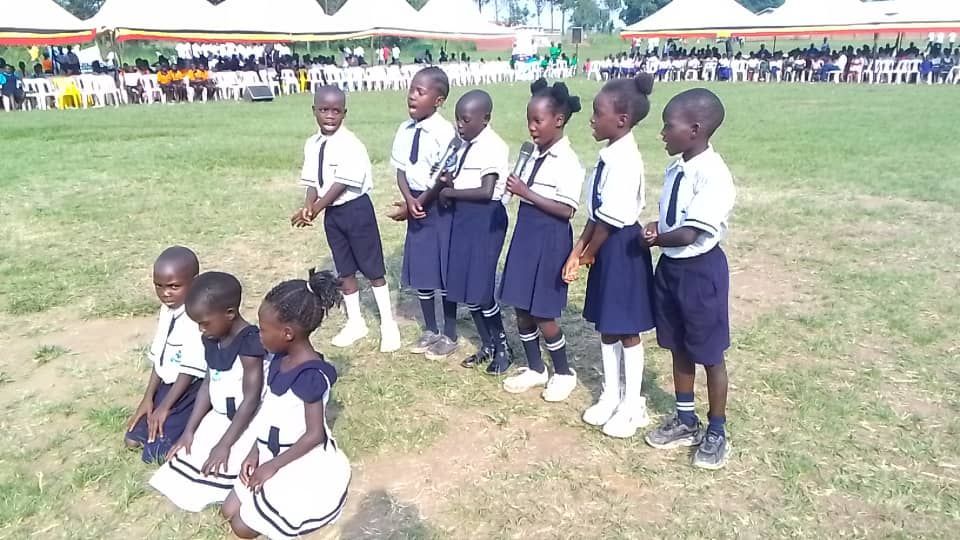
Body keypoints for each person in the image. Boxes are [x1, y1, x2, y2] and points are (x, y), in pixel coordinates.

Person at [642, 88, 736, 470]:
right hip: (671, 269)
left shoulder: (713, 175)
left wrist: (654, 238)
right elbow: (673, 221)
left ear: (695, 129)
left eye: (669, 126)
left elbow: (691, 233)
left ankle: (716, 429)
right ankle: (685, 419)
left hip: (699, 271)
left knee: (709, 353)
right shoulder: (679, 166)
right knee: (678, 346)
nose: (663, 133)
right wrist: (658, 227)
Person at [222, 270, 350, 539]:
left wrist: (273, 466)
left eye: (264, 329)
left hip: (296, 459)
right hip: (269, 450)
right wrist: (255, 451)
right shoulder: (279, 358)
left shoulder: (311, 376)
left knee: (241, 528)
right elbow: (271, 411)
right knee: (228, 510)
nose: (259, 335)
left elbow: (314, 435)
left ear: (288, 333)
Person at [564, 74, 657, 438]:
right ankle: (611, 395)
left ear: (621, 120)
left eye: (597, 113)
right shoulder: (608, 154)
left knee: (625, 328)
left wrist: (588, 255)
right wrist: (578, 249)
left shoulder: (626, 160)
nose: (592, 118)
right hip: (604, 242)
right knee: (606, 325)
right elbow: (594, 211)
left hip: (621, 247)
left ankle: (632, 404)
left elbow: (610, 218)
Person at [291, 86, 401, 353]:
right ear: (314, 110)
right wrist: (309, 205)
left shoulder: (350, 144)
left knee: (373, 269)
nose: (330, 116)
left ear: (344, 113)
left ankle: (388, 324)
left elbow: (341, 184)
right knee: (345, 270)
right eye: (324, 110)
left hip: (356, 210)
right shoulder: (312, 143)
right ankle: (356, 322)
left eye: (336, 111)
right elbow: (312, 181)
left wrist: (316, 209)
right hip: (333, 215)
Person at [149, 272, 267, 511]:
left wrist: (224, 444)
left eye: (204, 323)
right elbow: (207, 384)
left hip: (248, 420)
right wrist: (189, 431)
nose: (201, 330)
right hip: (220, 417)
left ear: (230, 313)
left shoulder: (250, 345)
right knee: (185, 458)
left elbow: (252, 400)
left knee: (223, 464)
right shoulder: (212, 338)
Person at [498, 79, 584, 402]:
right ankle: (536, 368)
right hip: (526, 234)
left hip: (550, 238)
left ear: (558, 121)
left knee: (543, 313)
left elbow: (566, 210)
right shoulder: (532, 154)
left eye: (538, 121)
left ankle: (563, 372)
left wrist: (526, 193)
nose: (531, 128)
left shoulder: (568, 162)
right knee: (521, 305)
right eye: (529, 120)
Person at [436, 90, 511, 372]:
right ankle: (487, 344)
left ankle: (503, 347)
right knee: (468, 286)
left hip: (485, 218)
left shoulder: (492, 145)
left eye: (465, 120)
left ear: (485, 119)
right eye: (457, 119)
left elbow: (487, 190)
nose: (459, 125)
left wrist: (451, 192)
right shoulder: (465, 143)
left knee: (481, 288)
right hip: (465, 217)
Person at [390, 67, 458, 358]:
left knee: (444, 270)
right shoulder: (405, 130)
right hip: (416, 204)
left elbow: (446, 175)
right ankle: (430, 328)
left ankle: (450, 332)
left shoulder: (446, 133)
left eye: (420, 91)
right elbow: (401, 170)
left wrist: (421, 201)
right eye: (412, 89)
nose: (412, 95)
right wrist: (408, 199)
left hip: (440, 205)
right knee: (422, 269)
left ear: (438, 99)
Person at [125, 247, 206, 463]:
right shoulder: (167, 310)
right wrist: (147, 398)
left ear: (194, 282)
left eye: (173, 286)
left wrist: (165, 407)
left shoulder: (196, 317)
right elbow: (159, 358)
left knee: (155, 455)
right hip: (167, 386)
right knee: (132, 440)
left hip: (189, 389)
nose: (165, 293)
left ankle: (196, 423)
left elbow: (189, 371)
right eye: (158, 286)